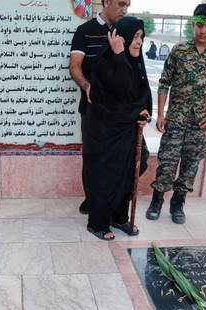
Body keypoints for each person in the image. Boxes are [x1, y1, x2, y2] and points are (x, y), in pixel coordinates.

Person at [146, 3, 206, 224]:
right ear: (194, 24)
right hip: (175, 119)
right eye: (199, 25)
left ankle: (178, 204)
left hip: (199, 124)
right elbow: (165, 83)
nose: (202, 30)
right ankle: (157, 201)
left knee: (190, 166)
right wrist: (161, 114)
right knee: (167, 162)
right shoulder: (179, 51)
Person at [84, 16, 152, 241]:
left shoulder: (137, 64)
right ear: (119, 38)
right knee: (106, 177)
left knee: (131, 171)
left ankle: (119, 217)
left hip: (128, 133)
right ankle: (98, 223)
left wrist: (145, 115)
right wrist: (119, 54)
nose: (140, 42)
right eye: (135, 37)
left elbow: (141, 96)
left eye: (142, 37)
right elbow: (118, 96)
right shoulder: (105, 64)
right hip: (105, 135)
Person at [70, 0, 131, 215]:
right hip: (92, 110)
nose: (125, 9)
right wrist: (87, 86)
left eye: (128, 5)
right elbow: (75, 66)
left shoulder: (127, 31)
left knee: (118, 160)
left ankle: (111, 202)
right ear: (106, 2)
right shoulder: (84, 31)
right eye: (121, 4)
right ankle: (92, 199)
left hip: (120, 114)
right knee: (93, 159)